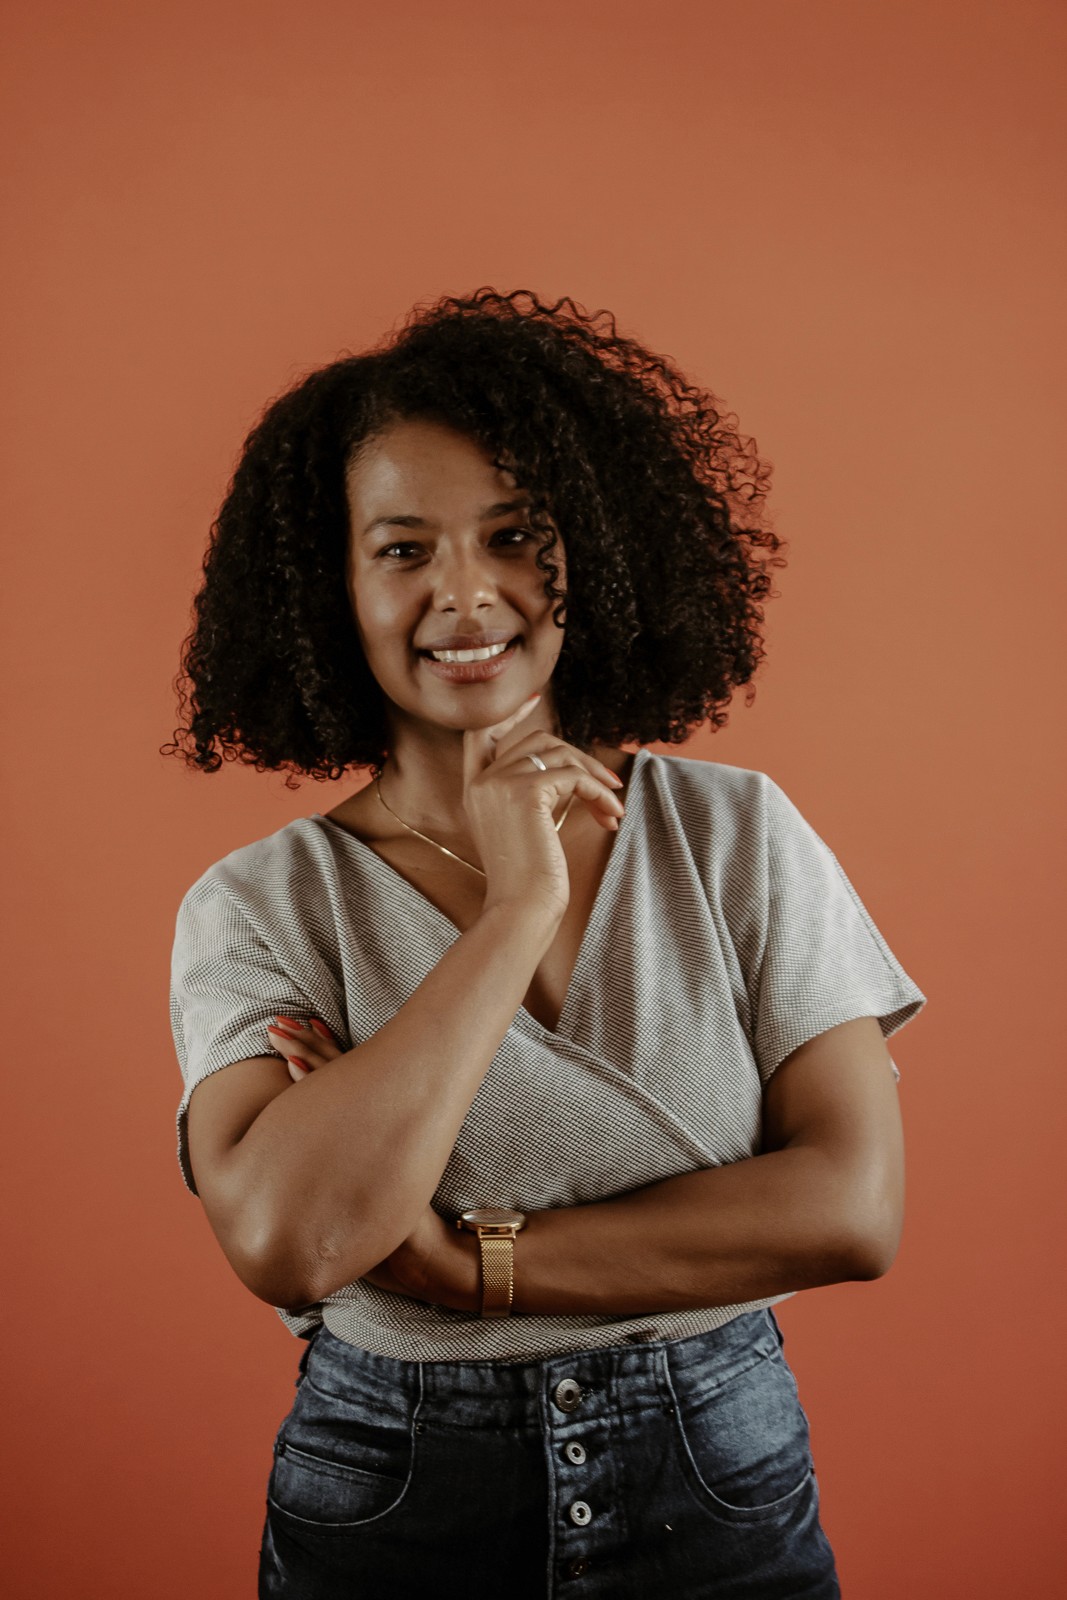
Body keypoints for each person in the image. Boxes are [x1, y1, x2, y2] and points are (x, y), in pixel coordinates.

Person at [164, 288, 927, 1598]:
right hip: (397, 1487)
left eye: (514, 536)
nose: (466, 593)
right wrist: (514, 909)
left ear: (599, 551)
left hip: (717, 1471)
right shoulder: (261, 906)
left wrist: (470, 1268)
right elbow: (293, 1242)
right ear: (329, 588)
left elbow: (850, 1210)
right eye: (402, 549)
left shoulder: (734, 834)